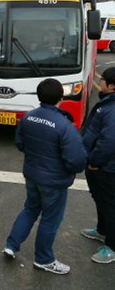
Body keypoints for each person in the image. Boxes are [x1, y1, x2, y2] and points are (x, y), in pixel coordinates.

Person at [3, 78, 87, 275]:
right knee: (50, 219)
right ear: (61, 97)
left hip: (32, 174)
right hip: (54, 181)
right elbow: (76, 159)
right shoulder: (65, 126)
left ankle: (11, 245)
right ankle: (44, 259)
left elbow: (20, 143)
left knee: (30, 209)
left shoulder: (28, 117)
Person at [81, 66, 115, 264]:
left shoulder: (111, 109)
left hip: (106, 168)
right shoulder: (107, 103)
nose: (99, 82)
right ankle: (102, 230)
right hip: (100, 165)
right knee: (101, 200)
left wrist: (95, 161)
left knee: (110, 205)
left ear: (111, 86)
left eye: (102, 80)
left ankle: (111, 246)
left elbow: (109, 141)